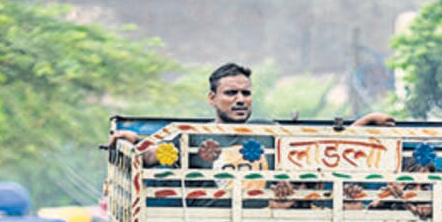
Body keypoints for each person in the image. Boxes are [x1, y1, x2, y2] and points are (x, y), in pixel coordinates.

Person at [111, 62, 396, 167]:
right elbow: (153, 156)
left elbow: (323, 148)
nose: (240, 100)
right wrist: (135, 140)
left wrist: (365, 123)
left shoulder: (268, 132)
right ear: (212, 99)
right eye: (230, 93)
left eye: (245, 94)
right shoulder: (193, 138)